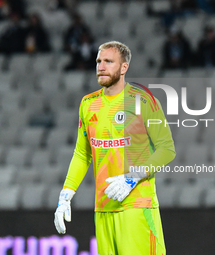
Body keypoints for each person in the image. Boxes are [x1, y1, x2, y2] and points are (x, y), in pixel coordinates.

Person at [54, 41, 176, 254]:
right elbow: (83, 153)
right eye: (98, 61)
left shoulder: (143, 100)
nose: (101, 66)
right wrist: (66, 194)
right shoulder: (88, 103)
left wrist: (133, 177)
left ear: (123, 68)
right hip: (103, 208)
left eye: (108, 61)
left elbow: (167, 149)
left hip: (137, 206)